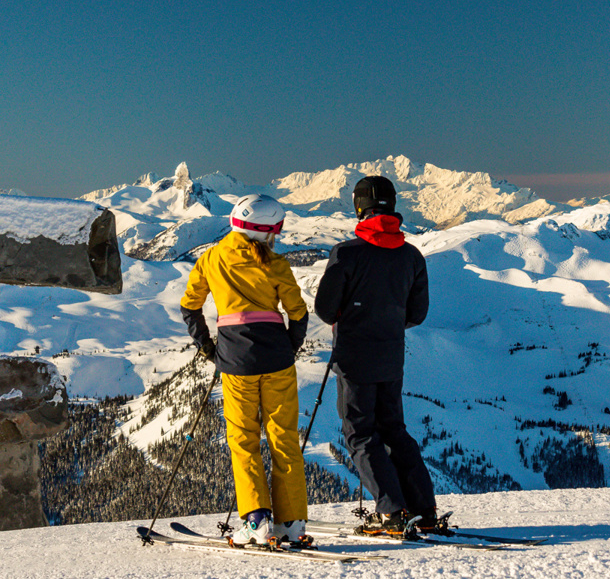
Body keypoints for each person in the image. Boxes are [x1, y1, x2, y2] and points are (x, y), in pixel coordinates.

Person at [179, 194, 310, 546]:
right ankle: (292, 522)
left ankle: (256, 520)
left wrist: (208, 347)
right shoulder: (277, 264)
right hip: (277, 357)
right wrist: (289, 347)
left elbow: (190, 306)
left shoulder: (212, 258)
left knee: (243, 440)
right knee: (284, 438)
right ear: (268, 230)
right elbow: (298, 313)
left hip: (236, 359)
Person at [313, 175, 439, 537]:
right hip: (391, 357)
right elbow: (417, 314)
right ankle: (424, 509)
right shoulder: (411, 256)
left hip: (354, 358)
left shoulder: (347, 253)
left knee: (360, 434)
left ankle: (392, 512)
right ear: (393, 206)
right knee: (395, 431)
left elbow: (325, 308)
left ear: (358, 206)